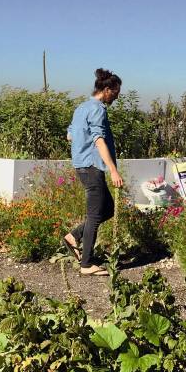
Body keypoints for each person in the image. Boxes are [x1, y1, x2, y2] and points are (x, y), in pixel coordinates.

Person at [64, 68, 124, 275]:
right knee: (95, 215)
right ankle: (87, 264)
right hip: (92, 166)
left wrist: (82, 140)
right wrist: (114, 171)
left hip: (81, 164)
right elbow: (99, 140)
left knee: (107, 208)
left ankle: (74, 237)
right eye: (115, 93)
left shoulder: (81, 108)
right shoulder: (98, 109)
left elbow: (70, 136)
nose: (116, 98)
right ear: (106, 90)